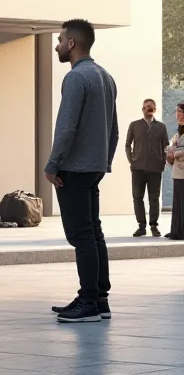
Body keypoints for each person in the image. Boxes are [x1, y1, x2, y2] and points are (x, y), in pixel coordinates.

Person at [45, 19, 118, 323]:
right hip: (95, 167)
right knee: (94, 231)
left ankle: (88, 301)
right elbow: (113, 128)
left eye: (60, 40)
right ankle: (99, 299)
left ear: (72, 44)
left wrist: (52, 164)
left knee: (81, 235)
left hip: (74, 169)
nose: (57, 45)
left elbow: (66, 127)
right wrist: (106, 161)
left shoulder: (76, 79)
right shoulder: (106, 77)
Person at [124, 98, 169, 237]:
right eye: (146, 106)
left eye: (151, 107)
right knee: (137, 197)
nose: (149, 108)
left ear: (155, 109)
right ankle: (141, 226)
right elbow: (127, 145)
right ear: (142, 109)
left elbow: (165, 147)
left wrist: (162, 163)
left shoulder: (161, 127)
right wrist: (132, 161)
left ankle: (154, 226)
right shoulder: (134, 125)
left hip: (155, 169)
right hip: (137, 169)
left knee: (154, 198)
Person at [165, 102, 184, 240]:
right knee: (177, 202)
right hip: (178, 172)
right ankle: (176, 230)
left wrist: (174, 152)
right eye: (176, 111)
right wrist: (171, 151)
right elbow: (171, 146)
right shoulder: (179, 130)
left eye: (180, 111)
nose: (177, 114)